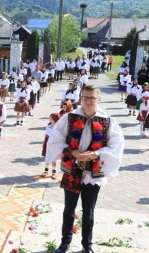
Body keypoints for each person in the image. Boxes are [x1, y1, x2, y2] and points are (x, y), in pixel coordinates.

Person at [46, 85, 124, 253]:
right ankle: (65, 243)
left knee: (88, 211)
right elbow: (54, 139)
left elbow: (116, 146)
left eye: (92, 98)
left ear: (99, 100)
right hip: (72, 169)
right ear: (80, 98)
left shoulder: (108, 121)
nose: (88, 101)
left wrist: (97, 153)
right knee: (68, 210)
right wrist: (70, 151)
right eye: (85, 97)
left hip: (93, 172)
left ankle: (86, 246)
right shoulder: (69, 118)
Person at [42, 113, 62, 179]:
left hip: (54, 144)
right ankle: (46, 171)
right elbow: (46, 134)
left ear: (54, 119)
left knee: (54, 158)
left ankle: (53, 173)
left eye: (50, 117)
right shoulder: (48, 125)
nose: (49, 118)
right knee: (47, 157)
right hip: (48, 143)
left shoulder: (58, 127)